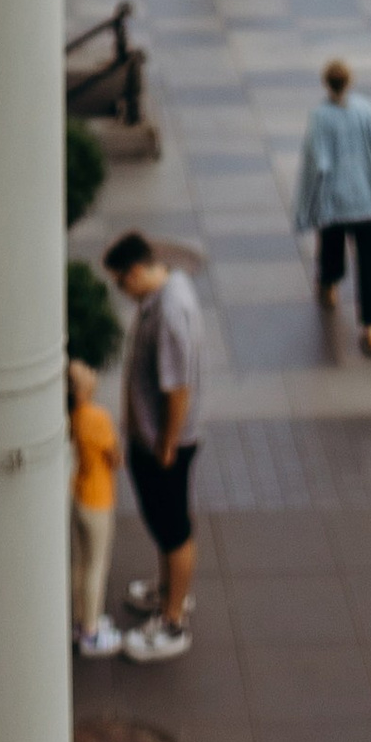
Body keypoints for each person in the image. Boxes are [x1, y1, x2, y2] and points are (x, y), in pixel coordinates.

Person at [104, 233, 203, 662]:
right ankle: (168, 593)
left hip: (165, 445)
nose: (122, 293)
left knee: (173, 528)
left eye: (120, 284)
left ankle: (173, 620)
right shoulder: (171, 291)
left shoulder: (168, 311)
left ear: (137, 272)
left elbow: (177, 388)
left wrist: (165, 446)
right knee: (166, 525)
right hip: (158, 439)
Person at [293, 58, 371, 356]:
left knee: (331, 245)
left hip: (334, 202)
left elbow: (313, 165)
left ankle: (329, 283)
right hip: (368, 203)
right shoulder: (369, 112)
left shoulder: (319, 118)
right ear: (350, 81)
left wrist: (304, 210)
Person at [68, 357, 122, 659]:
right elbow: (116, 458)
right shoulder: (97, 417)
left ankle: (79, 621)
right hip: (98, 499)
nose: (91, 372)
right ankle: (91, 631)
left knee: (80, 562)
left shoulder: (74, 416)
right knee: (96, 566)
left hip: (79, 493)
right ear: (80, 389)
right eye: (84, 373)